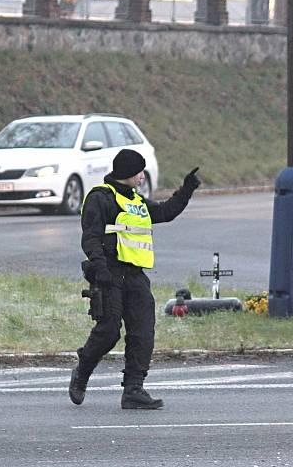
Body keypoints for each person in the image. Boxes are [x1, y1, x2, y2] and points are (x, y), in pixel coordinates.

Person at [69, 149, 201, 409]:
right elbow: (91, 236)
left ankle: (133, 390)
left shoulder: (136, 201)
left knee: (142, 332)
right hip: (109, 274)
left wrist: (186, 190)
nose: (142, 175)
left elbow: (165, 212)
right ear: (128, 172)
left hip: (135, 276)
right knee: (108, 333)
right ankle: (82, 372)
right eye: (139, 171)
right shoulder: (101, 198)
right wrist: (100, 268)